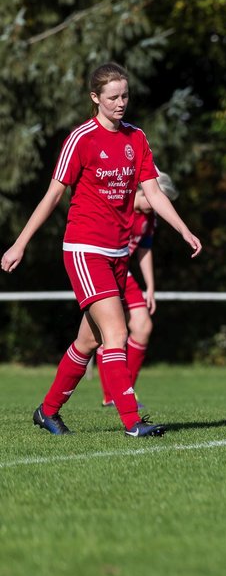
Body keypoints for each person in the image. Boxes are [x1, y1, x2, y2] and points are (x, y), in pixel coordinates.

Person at [2, 63, 203, 438]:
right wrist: (21, 242)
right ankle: (132, 422)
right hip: (84, 248)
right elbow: (53, 196)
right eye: (112, 97)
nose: (120, 103)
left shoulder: (137, 138)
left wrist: (183, 229)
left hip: (117, 253)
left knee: (89, 340)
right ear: (95, 98)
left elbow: (154, 193)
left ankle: (47, 412)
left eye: (125, 96)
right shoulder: (82, 138)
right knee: (117, 332)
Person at [98, 170, 179, 407]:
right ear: (142, 189)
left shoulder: (149, 216)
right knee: (106, 333)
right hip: (105, 270)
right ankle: (112, 396)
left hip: (125, 274)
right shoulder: (118, 204)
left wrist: (151, 287)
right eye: (152, 199)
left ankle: (124, 392)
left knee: (142, 327)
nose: (153, 206)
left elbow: (144, 249)